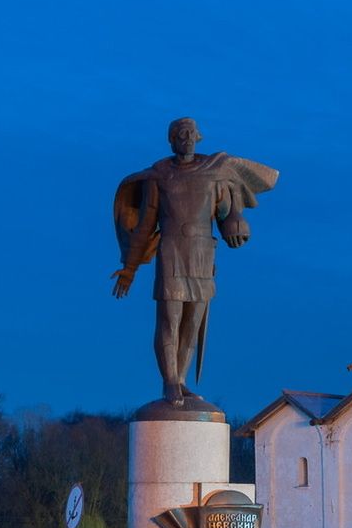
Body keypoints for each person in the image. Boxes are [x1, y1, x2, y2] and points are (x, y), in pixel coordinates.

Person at [112, 118, 278, 405]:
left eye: (191, 134)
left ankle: (182, 379)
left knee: (192, 322)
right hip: (172, 251)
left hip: (202, 253)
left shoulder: (214, 174)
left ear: (198, 138)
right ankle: (170, 382)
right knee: (170, 320)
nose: (186, 138)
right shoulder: (159, 176)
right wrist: (130, 268)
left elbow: (227, 215)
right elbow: (145, 225)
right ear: (171, 140)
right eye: (180, 134)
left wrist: (236, 223)